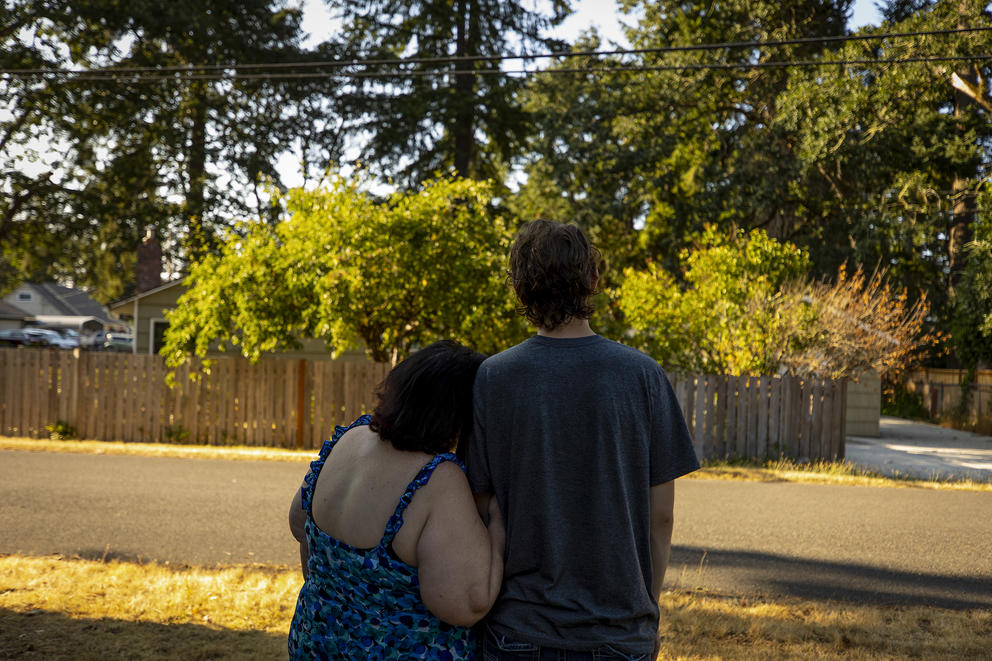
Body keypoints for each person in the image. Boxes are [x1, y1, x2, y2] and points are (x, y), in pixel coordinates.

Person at [467, 219, 700, 660]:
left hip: (518, 630)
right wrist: (647, 609)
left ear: (520, 289)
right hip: (620, 631)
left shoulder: (493, 378)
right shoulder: (643, 375)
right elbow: (661, 518)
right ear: (594, 278)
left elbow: (482, 509)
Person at [288, 340, 505, 659]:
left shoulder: (351, 436)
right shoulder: (436, 478)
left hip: (315, 642)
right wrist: (498, 526)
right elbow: (466, 604)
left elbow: (299, 522)